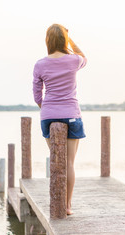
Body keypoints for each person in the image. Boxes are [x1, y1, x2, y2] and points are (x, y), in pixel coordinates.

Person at [32, 23, 87, 215]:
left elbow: (37, 96)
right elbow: (84, 57)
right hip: (71, 115)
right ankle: (67, 205)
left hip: (48, 117)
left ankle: (57, 204)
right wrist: (70, 40)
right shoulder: (73, 60)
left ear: (47, 41)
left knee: (58, 160)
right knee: (69, 163)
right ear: (64, 40)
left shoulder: (40, 64)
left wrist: (48, 109)